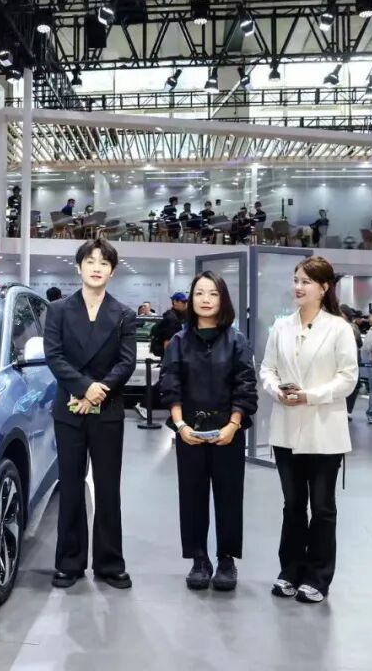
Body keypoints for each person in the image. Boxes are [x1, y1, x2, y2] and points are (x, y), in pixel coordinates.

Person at [259, 256, 357, 604]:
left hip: (324, 430)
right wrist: (277, 391)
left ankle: (318, 576)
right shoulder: (281, 327)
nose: (298, 287)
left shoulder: (339, 328)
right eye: (296, 280)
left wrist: (310, 396)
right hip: (286, 428)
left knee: (323, 506)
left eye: (306, 282)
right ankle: (290, 570)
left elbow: (348, 378)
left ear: (324, 287)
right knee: (293, 505)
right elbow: (267, 369)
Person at [43, 239, 137, 590]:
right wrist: (84, 388)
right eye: (90, 261)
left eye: (104, 262)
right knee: (70, 486)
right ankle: (69, 562)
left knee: (108, 488)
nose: (97, 267)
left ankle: (110, 564)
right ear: (79, 266)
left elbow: (127, 361)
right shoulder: (58, 310)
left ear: (112, 271)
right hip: (69, 409)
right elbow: (54, 356)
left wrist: (98, 391)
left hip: (107, 409)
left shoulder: (124, 314)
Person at [159, 271, 257, 592]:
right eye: (199, 293)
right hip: (189, 431)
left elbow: (246, 385)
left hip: (228, 432)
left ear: (222, 299)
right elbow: (170, 384)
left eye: (213, 294)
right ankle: (199, 559)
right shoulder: (179, 341)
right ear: (191, 299)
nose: (205, 299)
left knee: (229, 496)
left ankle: (226, 559)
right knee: (192, 496)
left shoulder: (237, 340)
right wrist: (180, 425)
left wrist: (233, 425)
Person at [340, 305, 362, 421]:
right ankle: (345, 410)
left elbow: (359, 343)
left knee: (352, 386)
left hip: (351, 361)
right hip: (341, 361)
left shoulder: (351, 328)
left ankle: (347, 410)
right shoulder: (339, 327)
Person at [151, 292, 188, 358]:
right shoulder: (171, 319)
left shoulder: (180, 316)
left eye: (185, 302)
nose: (185, 304)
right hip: (172, 356)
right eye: (183, 302)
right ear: (175, 302)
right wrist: (170, 360)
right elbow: (167, 342)